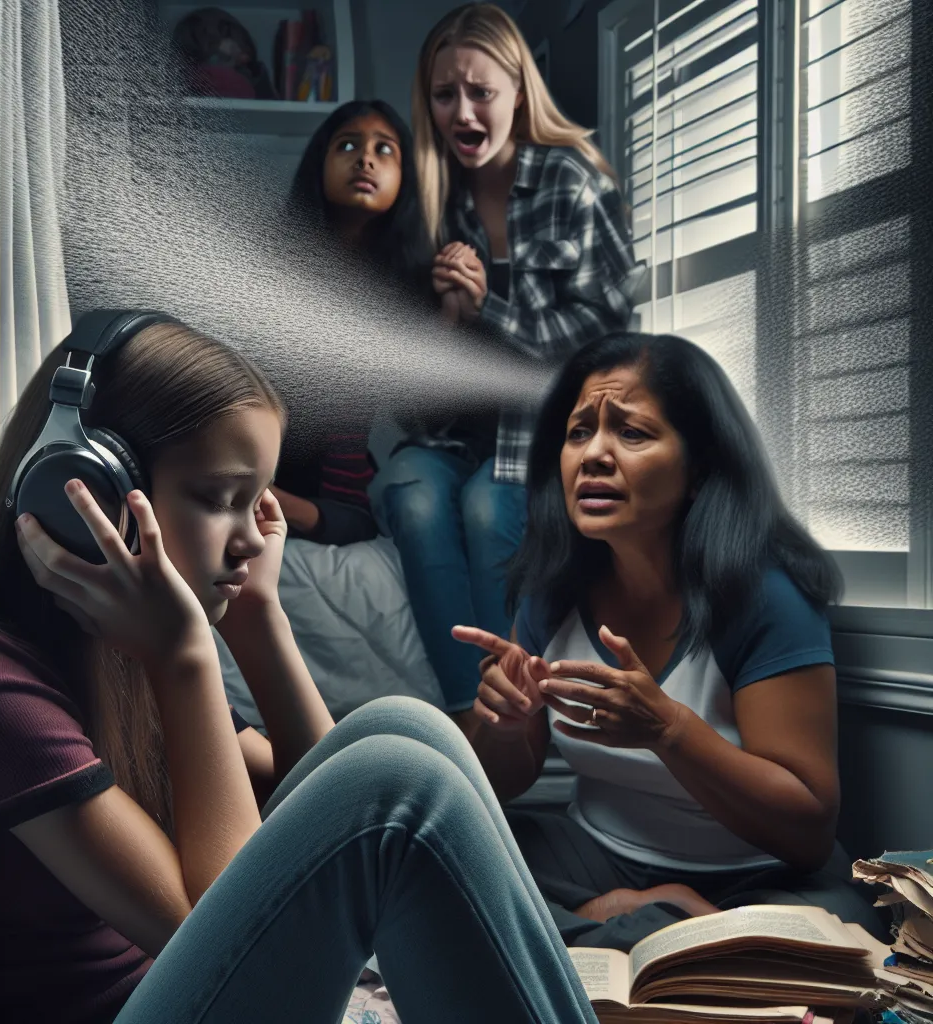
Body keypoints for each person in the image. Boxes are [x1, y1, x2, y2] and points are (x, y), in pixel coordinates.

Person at [0, 313, 600, 1024]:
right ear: (84, 493)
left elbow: (317, 800)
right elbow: (218, 926)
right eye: (217, 498)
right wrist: (184, 657)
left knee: (405, 729)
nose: (249, 540)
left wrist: (258, 621)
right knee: (402, 783)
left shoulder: (128, 655)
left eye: (256, 502)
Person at [453, 331, 886, 950]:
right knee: (438, 856)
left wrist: (669, 730)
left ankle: (625, 930)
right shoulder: (551, 587)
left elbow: (809, 833)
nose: (593, 456)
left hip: (755, 878)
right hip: (591, 858)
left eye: (631, 433)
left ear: (699, 467)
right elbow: (505, 779)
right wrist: (501, 723)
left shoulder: (767, 596)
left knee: (833, 933)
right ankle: (636, 916)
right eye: (579, 433)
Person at [370, 3, 639, 723]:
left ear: (519, 93)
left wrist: (491, 308)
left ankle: (517, 711)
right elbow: (413, 401)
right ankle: (471, 714)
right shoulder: (429, 202)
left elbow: (607, 341)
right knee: (409, 488)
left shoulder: (572, 183)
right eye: (443, 94)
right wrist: (449, 322)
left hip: (547, 430)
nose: (462, 110)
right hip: (454, 433)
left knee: (492, 505)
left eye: (480, 92)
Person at [272, 99, 434, 546]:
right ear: (319, 163)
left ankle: (283, 505)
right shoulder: (271, 262)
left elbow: (418, 414)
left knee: (360, 520)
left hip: (335, 473)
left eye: (385, 150)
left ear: (405, 180)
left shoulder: (414, 283)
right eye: (347, 145)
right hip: (263, 442)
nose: (365, 158)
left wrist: (458, 313)